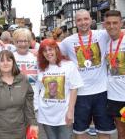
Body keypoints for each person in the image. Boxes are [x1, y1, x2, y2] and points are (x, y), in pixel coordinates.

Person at [59, 9, 116, 139]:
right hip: (80, 94)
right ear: (75, 22)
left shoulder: (102, 35)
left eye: (85, 19)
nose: (83, 22)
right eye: (79, 20)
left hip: (102, 92)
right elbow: (49, 50)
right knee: (80, 132)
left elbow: (119, 32)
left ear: (91, 20)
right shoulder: (68, 42)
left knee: (104, 131)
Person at [34, 39, 83, 139]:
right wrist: (37, 108)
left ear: (56, 49)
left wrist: (70, 111)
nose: (48, 53)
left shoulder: (69, 65)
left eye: (50, 49)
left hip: (63, 114)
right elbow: (36, 89)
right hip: (46, 114)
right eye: (45, 51)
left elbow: (74, 88)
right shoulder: (40, 68)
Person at [0, 50, 38, 139]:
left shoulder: (23, 79)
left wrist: (33, 123)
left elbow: (29, 106)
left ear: (13, 62)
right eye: (2, 60)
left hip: (20, 131)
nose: (5, 63)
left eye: (8, 60)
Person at [103, 10, 125, 139]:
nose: (112, 26)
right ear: (104, 25)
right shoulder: (105, 43)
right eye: (109, 23)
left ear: (121, 23)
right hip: (114, 96)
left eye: (115, 23)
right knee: (121, 131)